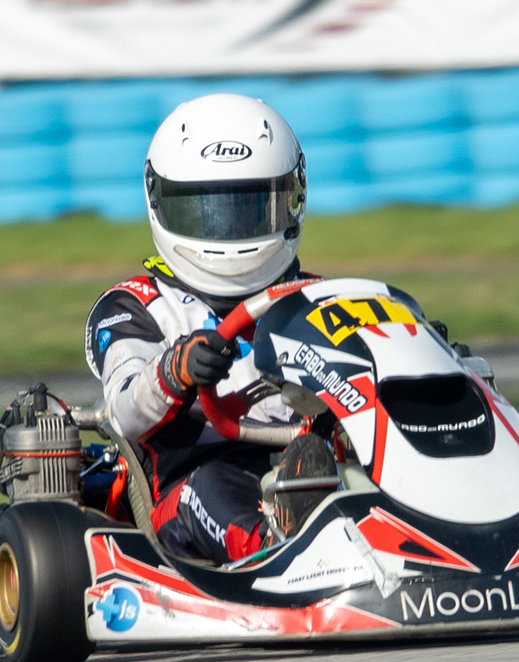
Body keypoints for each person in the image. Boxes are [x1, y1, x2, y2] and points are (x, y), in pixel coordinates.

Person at [86, 93, 452, 564]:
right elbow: (123, 413)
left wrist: (421, 355)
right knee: (211, 486)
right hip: (190, 490)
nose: (229, 229)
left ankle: (465, 515)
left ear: (291, 199)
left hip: (321, 464)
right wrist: (175, 370)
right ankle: (280, 549)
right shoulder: (135, 305)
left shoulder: (323, 297)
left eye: (250, 206)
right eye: (207, 210)